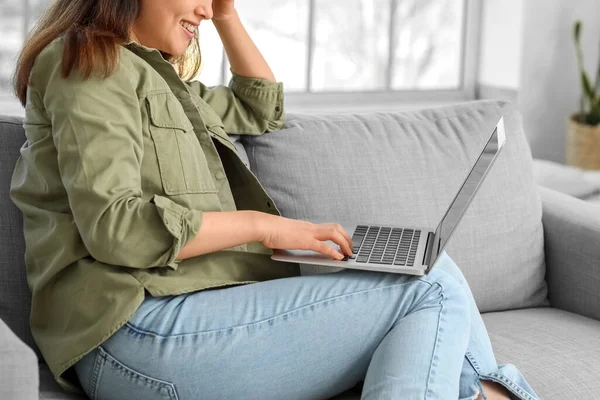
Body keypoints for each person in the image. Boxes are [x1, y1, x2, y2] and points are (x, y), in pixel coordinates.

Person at [10, 0, 539, 399]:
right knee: (428, 290)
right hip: (134, 334)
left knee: (431, 266)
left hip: (184, 317)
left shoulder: (162, 78)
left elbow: (259, 105)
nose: (203, 8)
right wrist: (264, 227)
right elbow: (115, 228)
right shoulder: (87, 62)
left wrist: (225, 15)